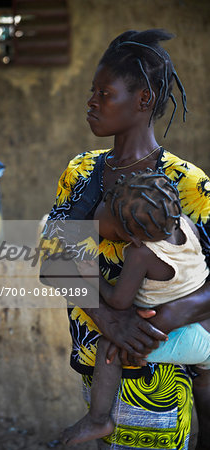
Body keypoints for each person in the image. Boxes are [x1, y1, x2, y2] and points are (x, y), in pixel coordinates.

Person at [40, 29, 210, 449]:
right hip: (96, 361)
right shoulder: (82, 172)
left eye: (104, 93)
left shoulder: (187, 184)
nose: (91, 102)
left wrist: (156, 322)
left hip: (156, 363)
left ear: (143, 100)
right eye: (91, 92)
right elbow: (55, 260)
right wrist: (110, 319)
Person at [60, 169, 210, 446]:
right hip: (204, 327)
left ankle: (98, 419)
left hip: (187, 335)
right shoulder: (185, 223)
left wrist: (94, 280)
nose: (102, 208)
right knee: (204, 379)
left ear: (132, 237)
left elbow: (119, 302)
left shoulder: (141, 254)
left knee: (108, 348)